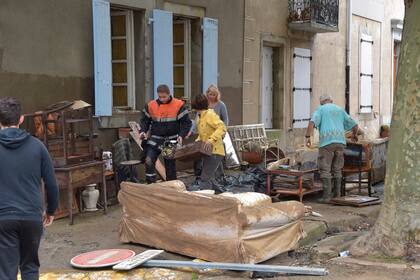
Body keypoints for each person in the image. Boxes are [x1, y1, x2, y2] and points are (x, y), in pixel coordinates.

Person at [0, 97, 59, 280]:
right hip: (32, 217)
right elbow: (51, 183)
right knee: (30, 267)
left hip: (3, 218)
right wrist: (50, 211)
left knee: (5, 270)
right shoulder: (37, 146)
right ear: (22, 119)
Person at [305, 94, 359, 203]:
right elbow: (354, 124)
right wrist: (355, 135)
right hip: (340, 142)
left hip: (327, 143)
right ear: (331, 100)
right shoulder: (339, 109)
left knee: (325, 169)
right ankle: (337, 196)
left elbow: (312, 122)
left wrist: (307, 137)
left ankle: (326, 197)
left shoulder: (320, 109)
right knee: (337, 169)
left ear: (321, 102)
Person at [140, 84, 192, 183]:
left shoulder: (178, 105)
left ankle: (171, 186)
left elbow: (186, 123)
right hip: (155, 139)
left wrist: (181, 135)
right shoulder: (151, 105)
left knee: (169, 165)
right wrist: (143, 131)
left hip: (171, 140)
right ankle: (151, 184)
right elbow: (145, 121)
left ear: (169, 94)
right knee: (148, 160)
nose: (162, 99)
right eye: (160, 97)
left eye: (164, 97)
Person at [188, 85, 229, 179]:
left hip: (214, 146)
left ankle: (220, 177)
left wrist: (213, 138)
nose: (211, 96)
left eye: (214, 94)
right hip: (207, 147)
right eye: (210, 94)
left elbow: (223, 124)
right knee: (208, 176)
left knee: (206, 177)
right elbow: (200, 128)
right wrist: (195, 138)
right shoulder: (201, 114)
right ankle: (213, 185)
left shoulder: (212, 112)